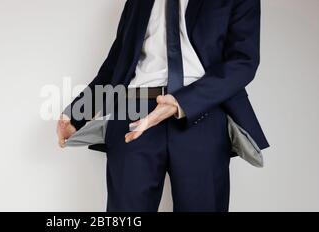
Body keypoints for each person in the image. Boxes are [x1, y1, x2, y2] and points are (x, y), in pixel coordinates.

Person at [57, 0, 269, 212]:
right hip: (134, 114)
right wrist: (76, 114)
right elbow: (116, 63)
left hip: (201, 112)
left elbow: (243, 62)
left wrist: (183, 101)